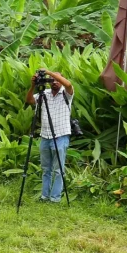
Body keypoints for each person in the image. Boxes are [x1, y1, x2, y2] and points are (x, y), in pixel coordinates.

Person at [25, 70, 74, 203]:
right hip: (45, 136)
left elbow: (69, 84)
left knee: (58, 170)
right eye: (52, 80)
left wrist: (49, 72)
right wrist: (33, 85)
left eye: (57, 79)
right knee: (46, 169)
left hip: (60, 135)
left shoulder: (66, 93)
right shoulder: (44, 94)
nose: (55, 82)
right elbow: (29, 100)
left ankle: (55, 198)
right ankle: (44, 196)